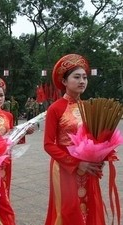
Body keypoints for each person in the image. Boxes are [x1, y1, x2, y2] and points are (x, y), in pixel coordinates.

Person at [44, 54, 106, 225]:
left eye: (85, 77)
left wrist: (100, 157)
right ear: (64, 82)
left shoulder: (88, 107)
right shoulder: (55, 109)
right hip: (65, 167)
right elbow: (48, 145)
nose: (82, 81)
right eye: (76, 77)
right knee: (68, 209)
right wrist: (76, 163)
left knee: (88, 206)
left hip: (88, 167)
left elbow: (94, 138)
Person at [0, 76, 35, 224]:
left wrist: (24, 132)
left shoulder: (8, 116)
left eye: (1, 95)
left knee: (5, 189)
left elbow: (12, 136)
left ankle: (3, 219)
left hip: (6, 160)